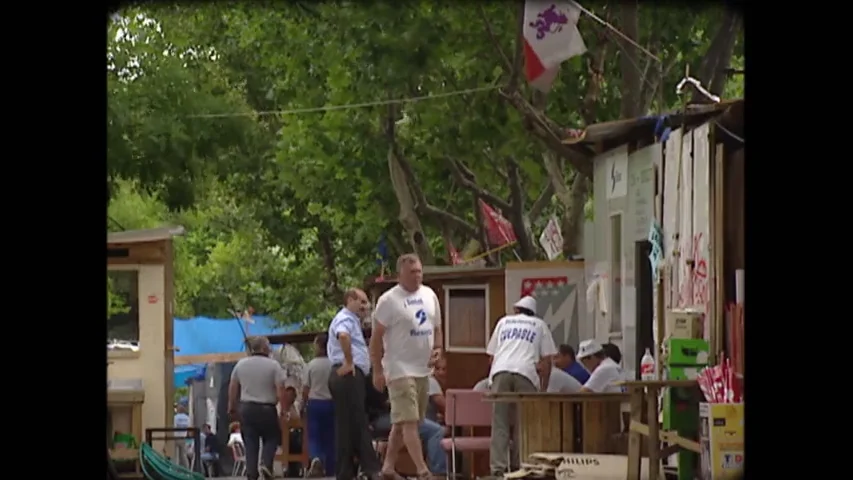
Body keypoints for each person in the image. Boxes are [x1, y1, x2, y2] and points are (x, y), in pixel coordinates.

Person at [370, 253, 443, 480]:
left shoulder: (430, 295)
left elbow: (437, 327)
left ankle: (388, 467)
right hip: (399, 368)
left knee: (403, 423)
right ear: (400, 274)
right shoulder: (389, 301)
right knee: (409, 421)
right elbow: (375, 338)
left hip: (423, 369)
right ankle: (423, 470)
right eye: (412, 272)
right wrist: (378, 370)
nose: (417, 275)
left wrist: (439, 349)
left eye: (419, 271)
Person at [487, 296, 557, 477]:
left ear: (517, 309)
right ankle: (521, 466)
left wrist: (492, 379)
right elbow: (547, 361)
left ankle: (498, 469)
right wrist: (543, 389)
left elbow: (491, 356)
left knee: (500, 422)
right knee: (524, 422)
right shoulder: (539, 325)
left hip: (500, 372)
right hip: (526, 372)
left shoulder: (504, 322)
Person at [328, 288, 381, 480]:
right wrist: (349, 361)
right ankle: (371, 468)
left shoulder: (353, 321)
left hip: (351, 375)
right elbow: (343, 335)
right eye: (363, 302)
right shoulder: (346, 318)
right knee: (357, 421)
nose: (365, 307)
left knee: (348, 424)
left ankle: (347, 471)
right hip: (348, 374)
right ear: (350, 300)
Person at [227, 335, 288, 480]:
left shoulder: (240, 365)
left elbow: (233, 387)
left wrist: (232, 406)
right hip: (267, 409)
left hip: (247, 409)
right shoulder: (273, 365)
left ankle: (251, 473)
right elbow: (281, 390)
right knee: (272, 437)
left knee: (250, 440)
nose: (270, 349)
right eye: (269, 346)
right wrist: (284, 409)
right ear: (263, 348)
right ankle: (266, 465)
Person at [367, 373, 447, 478]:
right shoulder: (384, 371)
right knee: (426, 427)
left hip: (390, 412)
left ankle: (388, 466)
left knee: (400, 425)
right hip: (383, 415)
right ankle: (430, 471)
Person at [302, 332, 335, 478]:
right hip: (332, 404)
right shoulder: (334, 364)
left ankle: (316, 458)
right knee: (331, 436)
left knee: (314, 435)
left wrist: (303, 403)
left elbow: (305, 389)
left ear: (318, 346)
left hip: (315, 403)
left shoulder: (311, 365)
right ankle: (330, 468)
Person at [426, 357, 447, 423]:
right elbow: (446, 408)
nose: (440, 372)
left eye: (444, 369)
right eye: (437, 369)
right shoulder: (432, 381)